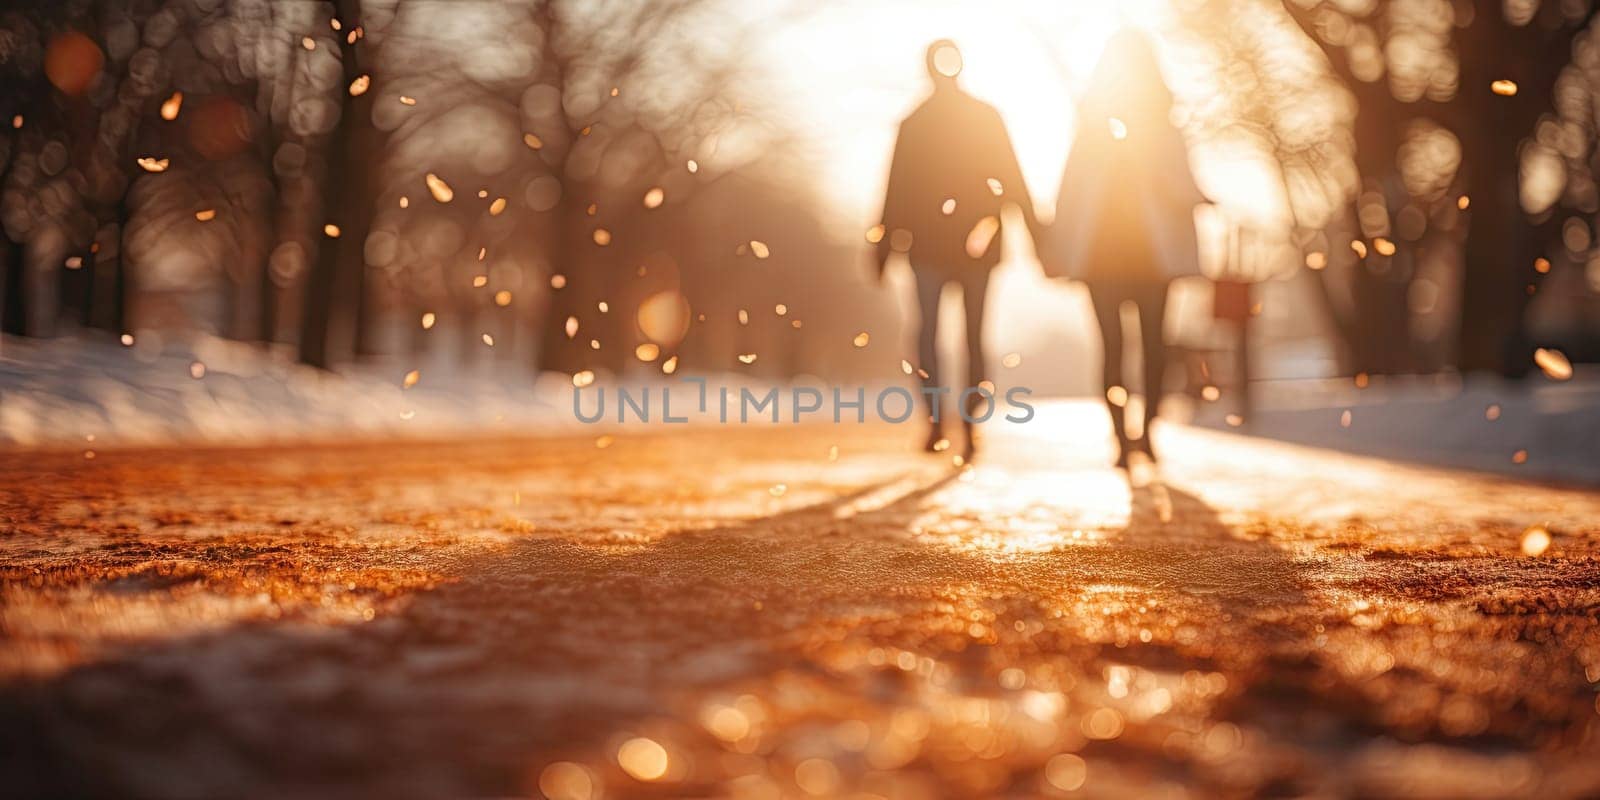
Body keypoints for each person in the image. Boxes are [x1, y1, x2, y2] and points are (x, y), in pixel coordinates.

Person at [1040, 29, 1206, 468]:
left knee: (1153, 346)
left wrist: (1189, 194)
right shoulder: (1092, 126)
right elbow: (1070, 192)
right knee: (1114, 347)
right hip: (1102, 255)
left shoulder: (1162, 126)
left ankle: (1146, 430)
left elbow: (1183, 183)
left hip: (1153, 256)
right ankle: (1121, 436)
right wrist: (1056, 246)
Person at [875, 39, 1039, 459]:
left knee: (934, 334)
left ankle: (946, 420)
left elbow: (897, 191)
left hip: (950, 247)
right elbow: (1012, 183)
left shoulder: (918, 123)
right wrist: (1038, 237)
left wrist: (884, 245)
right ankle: (959, 419)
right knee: (961, 334)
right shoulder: (975, 118)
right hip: (961, 248)